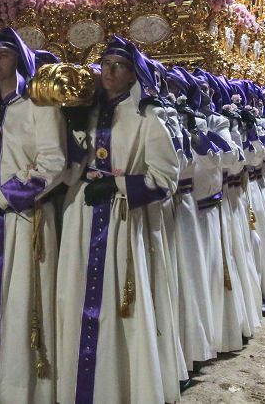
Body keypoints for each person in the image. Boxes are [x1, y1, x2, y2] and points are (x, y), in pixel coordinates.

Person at [56, 37, 182, 403]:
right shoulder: (89, 112)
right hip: (83, 217)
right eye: (104, 64)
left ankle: (121, 386)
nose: (108, 72)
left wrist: (118, 185)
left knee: (120, 306)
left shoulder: (149, 116)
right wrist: (75, 134)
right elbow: (70, 169)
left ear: (133, 74)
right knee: (78, 297)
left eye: (118, 66)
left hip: (123, 223)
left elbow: (165, 179)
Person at [0, 28, 66, 404]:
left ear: (19, 60)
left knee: (21, 304)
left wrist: (5, 197)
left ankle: (21, 392)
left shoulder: (38, 105)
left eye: (4, 55)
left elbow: (53, 163)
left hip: (23, 222)